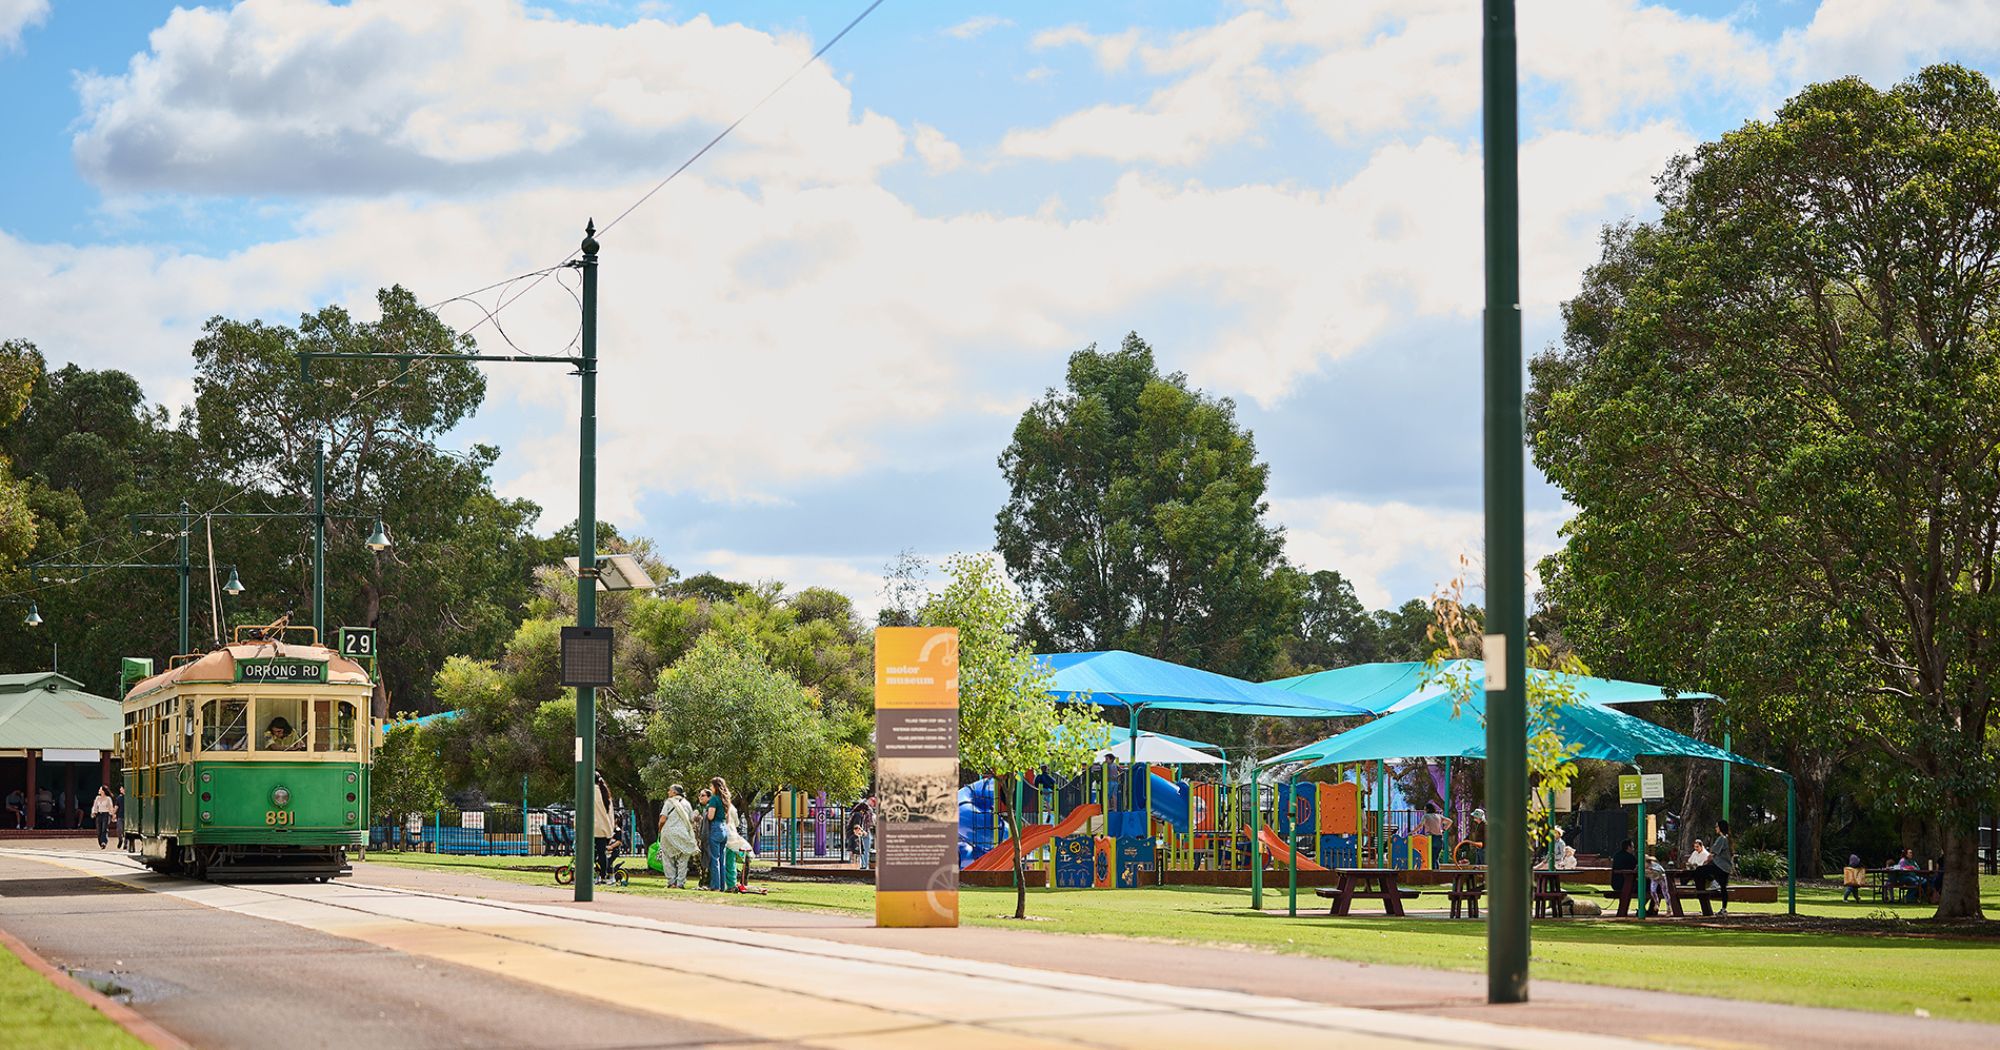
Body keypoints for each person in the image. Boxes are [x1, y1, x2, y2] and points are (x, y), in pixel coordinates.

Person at [1689, 819, 1735, 914]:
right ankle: (1724, 908)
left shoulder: (1722, 839)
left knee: (1699, 871)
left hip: (1719, 866)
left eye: (1717, 827)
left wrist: (1705, 862)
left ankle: (1709, 885)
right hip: (1726, 868)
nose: (1715, 828)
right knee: (1723, 888)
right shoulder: (1728, 839)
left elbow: (1712, 853)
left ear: (1720, 828)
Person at [656, 784, 698, 889]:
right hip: (683, 834)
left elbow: (662, 819)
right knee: (683, 860)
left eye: (669, 791)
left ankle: (671, 882)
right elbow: (691, 819)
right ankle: (680, 883)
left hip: (669, 833)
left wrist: (660, 830)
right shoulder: (687, 804)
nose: (668, 793)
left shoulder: (669, 802)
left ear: (674, 792)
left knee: (668, 858)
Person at [704, 777, 732, 892]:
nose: (710, 788)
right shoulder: (726, 799)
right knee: (722, 859)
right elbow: (728, 819)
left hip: (715, 828)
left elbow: (710, 816)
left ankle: (715, 886)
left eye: (711, 786)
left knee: (714, 859)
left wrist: (705, 814)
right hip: (724, 829)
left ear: (715, 786)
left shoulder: (714, 799)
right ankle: (722, 885)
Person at [591, 772, 615, 883]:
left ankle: (589, 874)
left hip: (590, 828)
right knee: (602, 853)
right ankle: (603, 875)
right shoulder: (605, 794)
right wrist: (611, 829)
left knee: (588, 853)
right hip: (603, 829)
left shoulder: (588, 792)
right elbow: (611, 814)